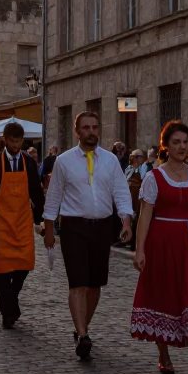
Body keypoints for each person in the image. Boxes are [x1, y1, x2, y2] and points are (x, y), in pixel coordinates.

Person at [131, 121, 188, 374]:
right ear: (165, 146)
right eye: (176, 142)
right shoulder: (154, 177)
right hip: (162, 243)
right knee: (164, 295)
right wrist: (140, 250)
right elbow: (145, 216)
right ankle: (164, 354)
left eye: (185, 142)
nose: (183, 147)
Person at [43, 111, 133, 360]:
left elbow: (121, 192)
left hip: (103, 226)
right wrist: (49, 230)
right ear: (77, 131)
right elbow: (53, 198)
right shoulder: (64, 161)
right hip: (74, 227)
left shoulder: (110, 161)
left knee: (94, 285)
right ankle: (83, 336)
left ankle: (82, 325)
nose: (91, 131)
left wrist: (126, 220)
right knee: (78, 282)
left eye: (95, 127)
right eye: (86, 127)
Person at [0, 123, 46, 328]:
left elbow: (36, 194)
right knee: (3, 269)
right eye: (13, 141)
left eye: (19, 141)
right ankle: (7, 312)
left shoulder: (29, 163)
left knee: (25, 263)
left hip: (23, 221)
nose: (16, 144)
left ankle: (10, 298)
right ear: (5, 139)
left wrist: (43, 219)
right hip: (2, 222)